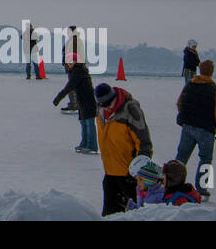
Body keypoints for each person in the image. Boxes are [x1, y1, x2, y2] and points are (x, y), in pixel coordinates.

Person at [95, 81, 153, 216]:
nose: (108, 108)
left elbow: (144, 143)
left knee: (133, 215)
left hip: (129, 176)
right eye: (103, 106)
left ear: (114, 97)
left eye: (110, 104)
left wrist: (138, 173)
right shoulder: (101, 110)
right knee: (109, 215)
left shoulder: (131, 110)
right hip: (110, 172)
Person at [175, 59, 216, 198]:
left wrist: (184, 118)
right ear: (212, 71)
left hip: (188, 127)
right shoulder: (214, 89)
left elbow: (179, 103)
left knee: (181, 157)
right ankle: (202, 188)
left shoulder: (190, 85)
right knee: (206, 159)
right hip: (206, 130)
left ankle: (173, 184)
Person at [52, 53, 97, 153]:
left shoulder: (78, 71)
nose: (69, 63)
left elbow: (69, 87)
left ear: (76, 61)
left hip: (88, 101)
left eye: (72, 61)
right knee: (83, 123)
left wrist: (58, 98)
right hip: (82, 101)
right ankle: (84, 143)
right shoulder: (75, 71)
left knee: (89, 124)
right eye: (68, 61)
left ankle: (92, 146)